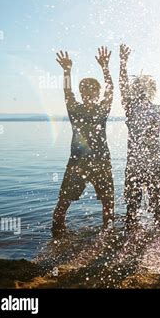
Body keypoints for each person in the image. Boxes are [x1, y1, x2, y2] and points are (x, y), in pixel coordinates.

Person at [52, 47, 115, 237]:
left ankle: (108, 237)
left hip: (101, 162)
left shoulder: (102, 110)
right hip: (77, 162)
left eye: (93, 91)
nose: (89, 94)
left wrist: (105, 68)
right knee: (64, 201)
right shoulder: (75, 110)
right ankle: (57, 234)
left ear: (97, 93)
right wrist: (66, 71)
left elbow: (110, 91)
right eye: (85, 91)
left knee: (108, 202)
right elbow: (67, 91)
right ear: (81, 93)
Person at [119, 44, 160, 229]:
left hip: (154, 163)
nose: (141, 91)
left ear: (151, 90)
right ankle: (129, 239)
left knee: (158, 206)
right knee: (132, 206)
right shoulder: (131, 107)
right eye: (138, 87)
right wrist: (123, 63)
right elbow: (122, 87)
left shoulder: (158, 110)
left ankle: (158, 236)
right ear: (135, 90)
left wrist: (155, 129)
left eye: (144, 87)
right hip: (134, 164)